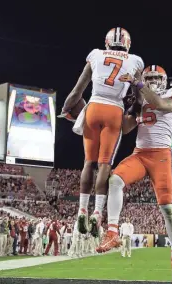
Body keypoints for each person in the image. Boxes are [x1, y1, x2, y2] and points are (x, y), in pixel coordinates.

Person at [96, 65, 172, 283]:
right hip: (140, 153)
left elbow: (160, 104)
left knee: (168, 210)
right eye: (149, 77)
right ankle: (112, 232)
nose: (153, 80)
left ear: (163, 79)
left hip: (162, 154)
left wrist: (138, 85)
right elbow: (125, 129)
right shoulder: (140, 96)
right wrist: (125, 107)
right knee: (115, 180)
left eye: (156, 77)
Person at [61, 27, 144, 237]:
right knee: (105, 164)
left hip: (94, 107)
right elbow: (139, 94)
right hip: (114, 110)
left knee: (88, 162)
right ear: (127, 44)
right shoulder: (135, 60)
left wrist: (65, 109)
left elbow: (77, 91)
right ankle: (97, 212)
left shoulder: (96, 55)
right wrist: (136, 112)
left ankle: (81, 208)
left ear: (107, 42)